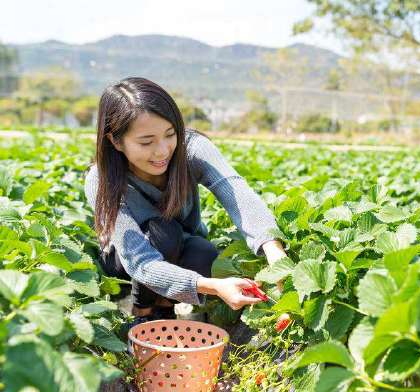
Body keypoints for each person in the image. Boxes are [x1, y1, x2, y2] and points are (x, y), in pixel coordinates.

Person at [83, 77, 287, 325]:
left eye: (170, 134)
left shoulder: (191, 150)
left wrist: (273, 249)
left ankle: (165, 306)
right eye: (146, 142)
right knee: (163, 233)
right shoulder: (101, 179)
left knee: (205, 255)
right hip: (126, 261)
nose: (162, 151)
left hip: (181, 245)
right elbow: (139, 260)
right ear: (115, 141)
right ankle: (142, 311)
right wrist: (211, 287)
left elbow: (236, 191)